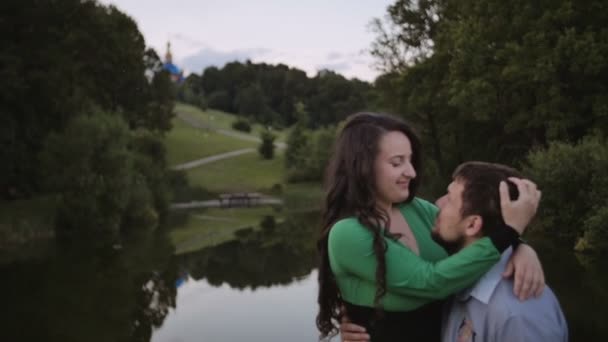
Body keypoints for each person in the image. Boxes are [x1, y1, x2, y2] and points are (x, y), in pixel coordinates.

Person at [316, 112, 543, 341]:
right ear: (363, 166)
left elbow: (471, 235)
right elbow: (430, 282)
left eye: (410, 160)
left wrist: (519, 247)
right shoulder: (347, 233)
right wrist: (510, 233)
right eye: (397, 162)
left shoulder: (416, 209)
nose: (411, 172)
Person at [340, 162, 567, 341]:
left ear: (472, 225)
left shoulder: (517, 315)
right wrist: (366, 325)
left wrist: (516, 240)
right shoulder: (459, 280)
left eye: (449, 199)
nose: (437, 203)